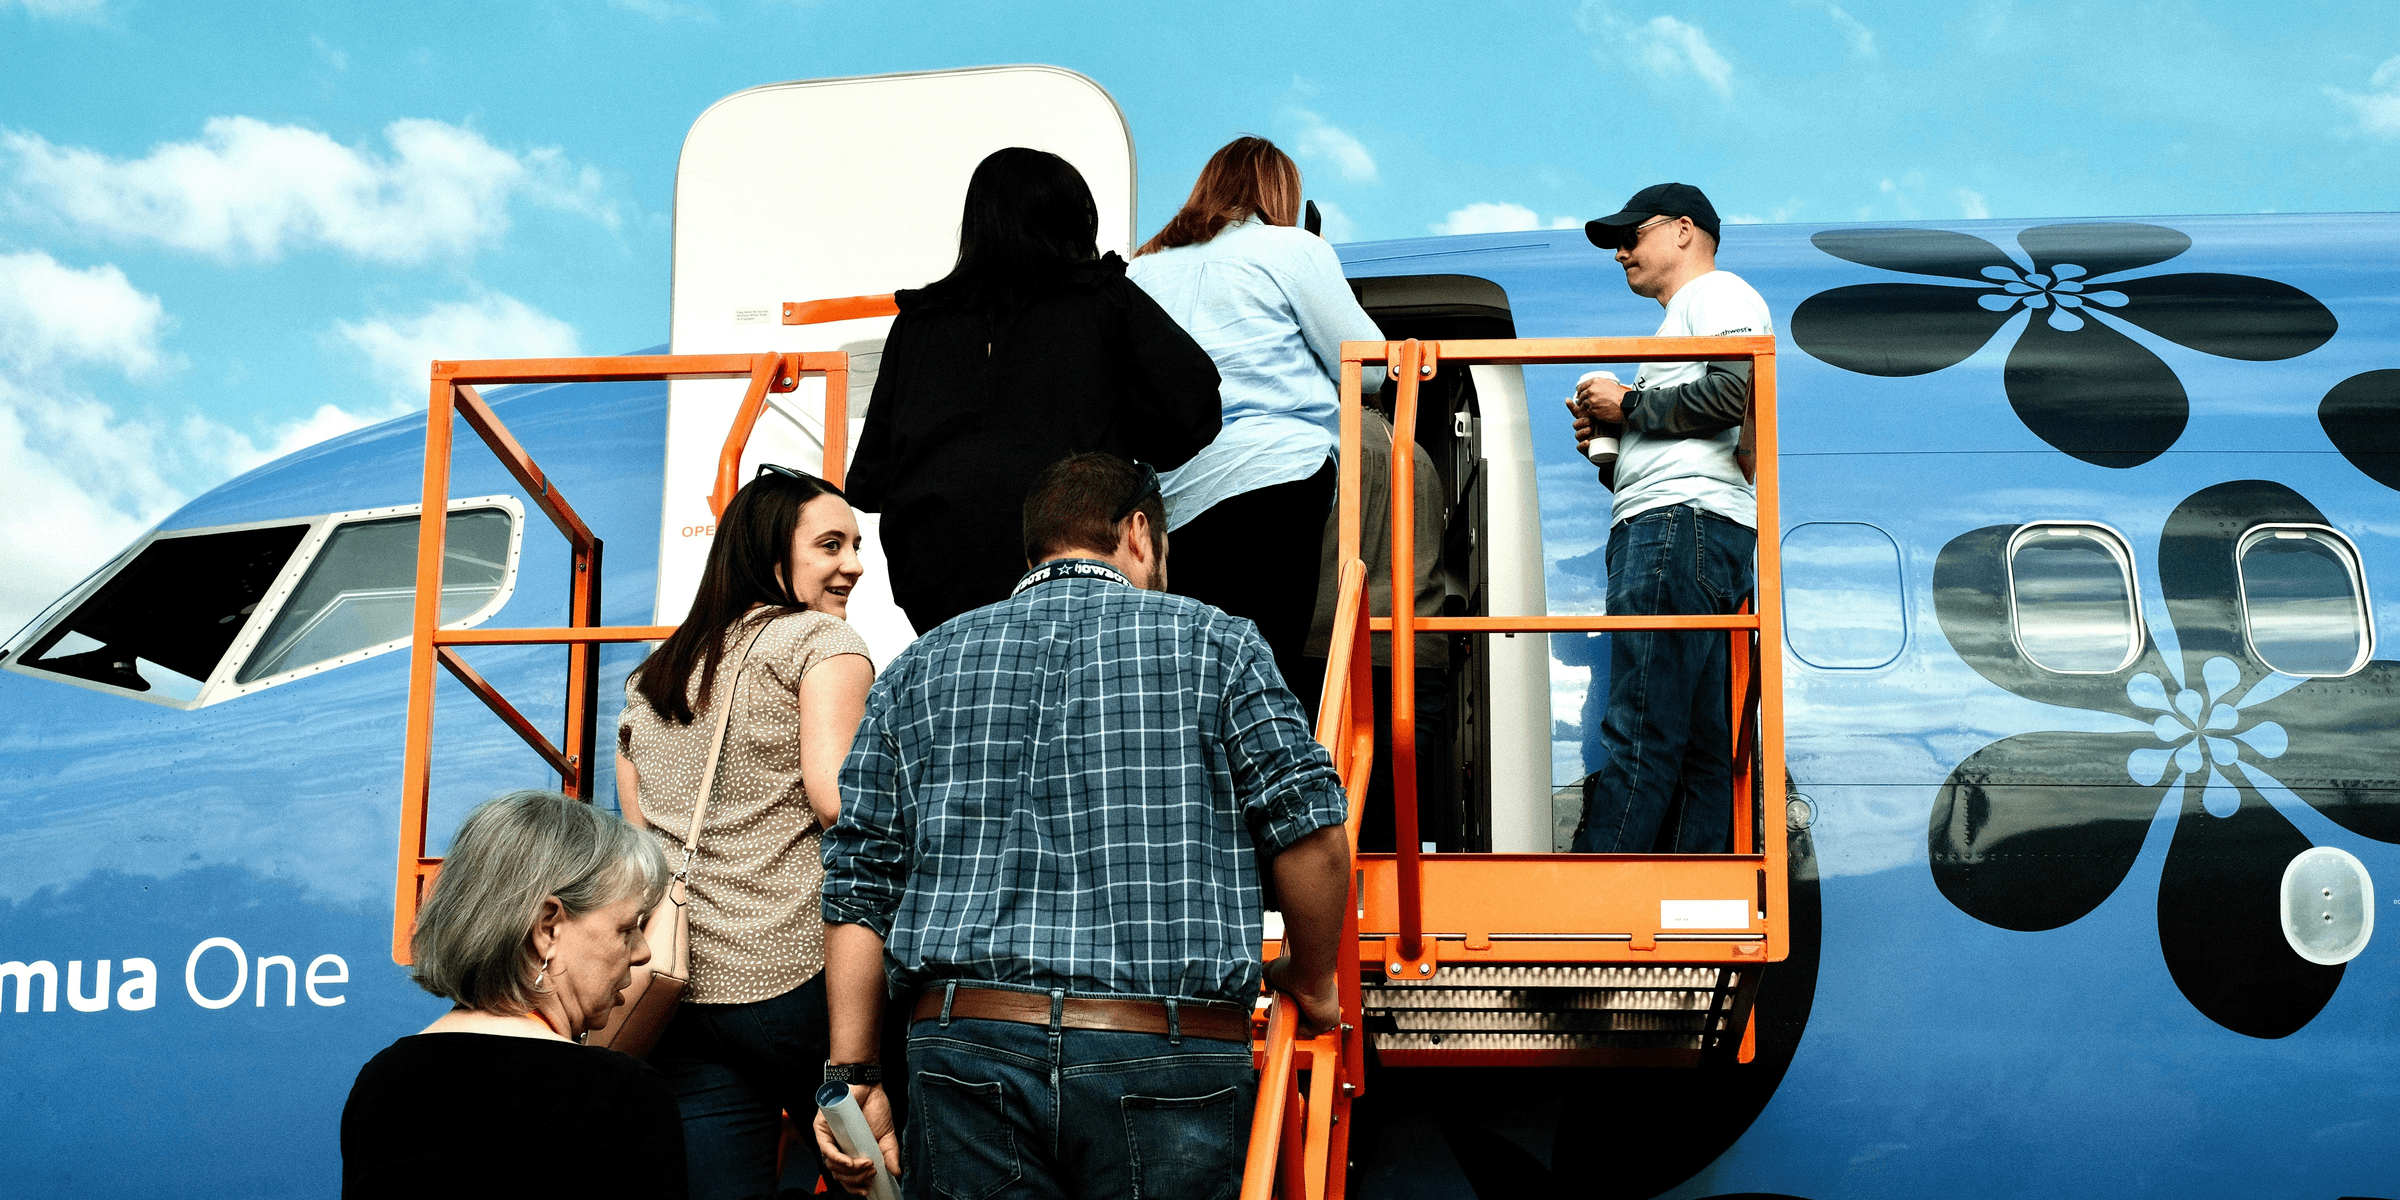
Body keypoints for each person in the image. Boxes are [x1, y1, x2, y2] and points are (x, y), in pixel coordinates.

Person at [812, 452, 1352, 1200]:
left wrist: (854, 1072)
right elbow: (1310, 828)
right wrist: (1313, 979)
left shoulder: (919, 667)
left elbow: (859, 882)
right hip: (1166, 1048)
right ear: (1139, 532)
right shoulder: (1218, 644)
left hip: (965, 1047)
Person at [616, 465, 874, 1199]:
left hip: (679, 991)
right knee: (881, 1178)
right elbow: (838, 802)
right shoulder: (820, 642)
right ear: (770, 552)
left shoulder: (655, 674)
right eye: (831, 545)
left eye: (855, 546)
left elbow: (637, 834)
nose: (854, 565)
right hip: (797, 976)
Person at [845, 146, 1223, 634]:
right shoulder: (1100, 297)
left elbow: (869, 480)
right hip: (1071, 558)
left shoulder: (919, 320)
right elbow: (1193, 410)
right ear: (1072, 220)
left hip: (938, 577)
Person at [1128, 136, 1388, 692]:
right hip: (1275, 480)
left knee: (1191, 682)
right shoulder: (1294, 250)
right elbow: (1369, 368)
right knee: (1263, 674)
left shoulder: (1141, 270)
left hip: (1169, 501)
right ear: (1279, 192)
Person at [341, 789, 683, 1198]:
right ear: (547, 928)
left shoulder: (381, 1082)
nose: (642, 952)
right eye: (626, 929)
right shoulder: (622, 1096)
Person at [1567, 182, 1774, 855]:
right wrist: (1611, 446)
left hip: (1675, 527)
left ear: (1684, 230)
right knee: (1697, 743)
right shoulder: (1682, 319)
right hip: (1695, 525)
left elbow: (1732, 392)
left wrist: (1627, 406)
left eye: (1633, 235)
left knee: (1642, 728)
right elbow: (1706, 419)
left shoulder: (1716, 293)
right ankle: (1693, 891)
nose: (1620, 252)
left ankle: (1602, 895)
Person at [1297, 379, 1455, 852]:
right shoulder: (1420, 458)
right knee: (1386, 819)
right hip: (1413, 655)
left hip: (1328, 651)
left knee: (1314, 821)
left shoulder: (1319, 450)